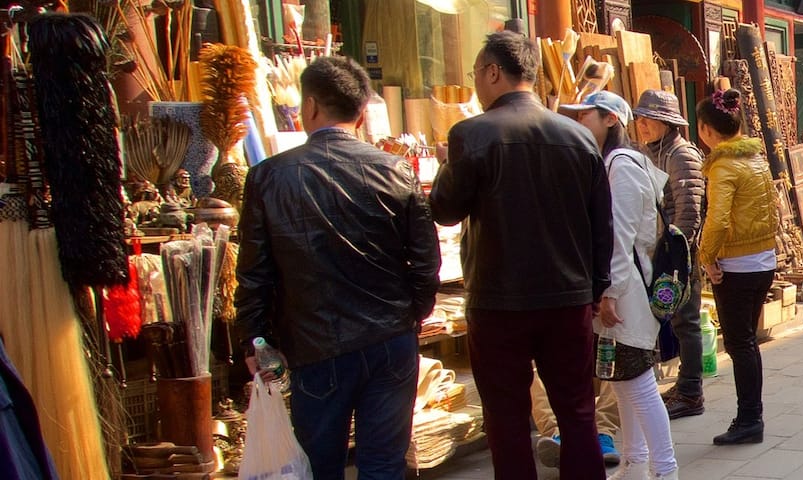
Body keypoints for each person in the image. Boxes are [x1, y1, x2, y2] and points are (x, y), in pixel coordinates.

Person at [235, 56, 440, 480]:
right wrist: (411, 315)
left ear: (309, 106)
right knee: (384, 464)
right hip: (389, 340)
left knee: (320, 465)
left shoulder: (269, 177)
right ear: (361, 114)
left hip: (316, 345)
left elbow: (255, 273)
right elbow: (426, 262)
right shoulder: (395, 169)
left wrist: (257, 340)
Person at [429, 30, 612, 479]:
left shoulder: (471, 134)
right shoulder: (578, 137)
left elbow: (445, 210)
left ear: (493, 72)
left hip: (499, 301)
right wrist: (595, 288)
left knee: (506, 417)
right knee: (577, 410)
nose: (475, 82)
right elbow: (601, 225)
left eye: (476, 73)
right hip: (567, 297)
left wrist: (446, 166)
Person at [557, 91, 680, 479]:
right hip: (626, 285)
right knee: (624, 382)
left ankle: (664, 469)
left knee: (637, 384)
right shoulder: (619, 162)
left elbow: (618, 236)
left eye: (586, 116)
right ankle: (635, 462)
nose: (580, 123)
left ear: (610, 119)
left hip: (626, 290)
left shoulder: (621, 165)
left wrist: (608, 294)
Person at [696, 88, 780, 445]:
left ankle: (749, 419)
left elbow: (716, 220)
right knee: (747, 342)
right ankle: (751, 416)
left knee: (740, 343)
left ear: (706, 129)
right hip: (762, 261)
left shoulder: (723, 165)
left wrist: (706, 257)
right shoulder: (756, 159)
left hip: (738, 266)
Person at [630, 90, 712, 420]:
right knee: (669, 320)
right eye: (639, 118)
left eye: (648, 119)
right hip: (655, 252)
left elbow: (689, 210)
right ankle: (682, 384)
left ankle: (691, 391)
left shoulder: (682, 155)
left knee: (686, 321)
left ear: (666, 122)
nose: (642, 125)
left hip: (677, 255)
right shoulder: (647, 152)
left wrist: (677, 254)